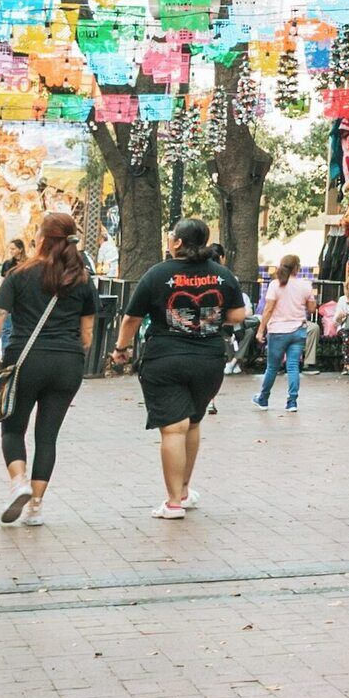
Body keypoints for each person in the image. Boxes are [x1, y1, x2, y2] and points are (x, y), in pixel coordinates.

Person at [115, 220, 246, 520]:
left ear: (176, 243)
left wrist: (121, 348)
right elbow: (238, 314)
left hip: (165, 359)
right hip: (209, 361)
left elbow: (131, 318)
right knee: (193, 422)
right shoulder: (221, 274)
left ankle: (173, 502)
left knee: (173, 428)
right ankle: (184, 491)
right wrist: (210, 318)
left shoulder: (158, 274)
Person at [0, 209, 101, 526]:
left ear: (41, 238)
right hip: (67, 363)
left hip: (24, 359)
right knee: (47, 436)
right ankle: (35, 507)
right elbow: (87, 334)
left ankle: (18, 482)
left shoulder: (20, 275)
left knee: (13, 427)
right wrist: (72, 356)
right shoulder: (82, 280)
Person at [253, 255, 319, 411]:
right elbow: (311, 309)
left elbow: (268, 309)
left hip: (277, 331)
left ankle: (263, 398)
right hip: (298, 330)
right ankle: (292, 401)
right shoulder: (305, 285)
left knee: (272, 368)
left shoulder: (275, 285)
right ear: (297, 268)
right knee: (293, 366)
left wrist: (261, 330)